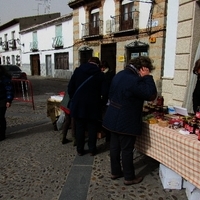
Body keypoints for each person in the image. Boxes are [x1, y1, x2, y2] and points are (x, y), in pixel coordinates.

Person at [102, 56, 157, 185]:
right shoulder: (134, 79)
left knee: (114, 146)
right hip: (125, 119)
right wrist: (148, 77)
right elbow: (151, 95)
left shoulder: (120, 74)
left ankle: (115, 171)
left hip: (113, 115)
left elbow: (113, 93)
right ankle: (129, 177)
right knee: (127, 149)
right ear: (143, 68)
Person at [68, 57, 104, 156]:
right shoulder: (100, 75)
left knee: (80, 128)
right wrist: (101, 102)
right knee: (92, 128)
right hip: (94, 105)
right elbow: (104, 92)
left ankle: (80, 150)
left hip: (79, 105)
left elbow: (70, 88)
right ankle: (92, 149)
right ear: (98, 64)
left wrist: (74, 99)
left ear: (88, 62)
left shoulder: (78, 71)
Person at [100, 60, 115, 143]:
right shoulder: (111, 73)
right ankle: (107, 135)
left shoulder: (107, 75)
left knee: (106, 118)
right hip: (109, 100)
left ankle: (108, 136)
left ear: (103, 67)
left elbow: (105, 89)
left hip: (107, 100)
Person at [0, 66, 14, 141]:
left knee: (0, 117)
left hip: (2, 99)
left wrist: (8, 100)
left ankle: (2, 134)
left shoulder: (4, 78)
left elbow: (9, 89)